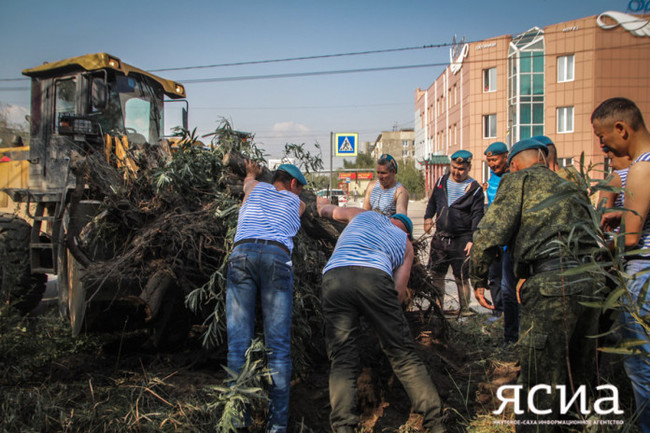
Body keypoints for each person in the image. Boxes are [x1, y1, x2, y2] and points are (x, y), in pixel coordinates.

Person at [470, 138, 601, 430]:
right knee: (577, 377)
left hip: (552, 288)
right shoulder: (571, 186)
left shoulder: (518, 180)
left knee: (539, 382)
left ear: (514, 164)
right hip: (591, 284)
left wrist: (477, 278)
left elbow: (491, 233)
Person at [316, 200, 446, 433]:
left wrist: (320, 204)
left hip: (334, 276)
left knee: (342, 358)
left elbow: (328, 211)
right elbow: (396, 294)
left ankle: (343, 427)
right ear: (406, 230)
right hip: (374, 278)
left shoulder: (363, 215)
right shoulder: (406, 244)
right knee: (403, 355)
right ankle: (434, 422)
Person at [226, 161, 307, 433]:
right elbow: (302, 209)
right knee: (279, 350)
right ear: (293, 184)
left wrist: (251, 171)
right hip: (276, 257)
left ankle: (238, 423)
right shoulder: (296, 203)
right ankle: (276, 427)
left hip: (242, 254)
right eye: (300, 190)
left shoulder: (256, 189)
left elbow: (247, 183)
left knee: (238, 346)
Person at [592, 97, 650, 431]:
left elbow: (631, 239)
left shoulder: (642, 166)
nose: (603, 144)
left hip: (642, 272)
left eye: (603, 137)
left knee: (642, 367)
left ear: (621, 128)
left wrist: (601, 247)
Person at [424, 150, 484, 316]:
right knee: (437, 275)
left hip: (462, 240)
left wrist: (473, 239)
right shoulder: (442, 181)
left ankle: (464, 309)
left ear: (469, 167)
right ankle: (438, 308)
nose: (456, 172)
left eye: (461, 169)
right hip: (440, 238)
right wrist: (428, 217)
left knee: (462, 278)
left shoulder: (475, 189)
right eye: (454, 167)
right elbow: (432, 202)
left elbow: (478, 216)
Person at [483, 142, 519, 344]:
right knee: (498, 282)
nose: (491, 164)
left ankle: (514, 333)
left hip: (513, 243)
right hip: (497, 240)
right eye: (488, 160)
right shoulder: (492, 179)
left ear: (506, 157)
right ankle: (507, 328)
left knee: (511, 288)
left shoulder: (513, 178)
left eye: (494, 159)